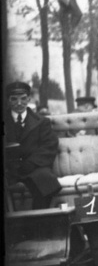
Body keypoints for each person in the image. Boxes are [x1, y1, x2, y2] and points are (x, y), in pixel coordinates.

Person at [3, 81, 61, 209]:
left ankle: (37, 221)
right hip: (8, 169)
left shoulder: (41, 122)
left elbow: (49, 146)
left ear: (29, 99)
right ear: (8, 100)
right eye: (14, 99)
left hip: (33, 167)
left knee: (46, 180)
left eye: (23, 99)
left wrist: (32, 163)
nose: (19, 103)